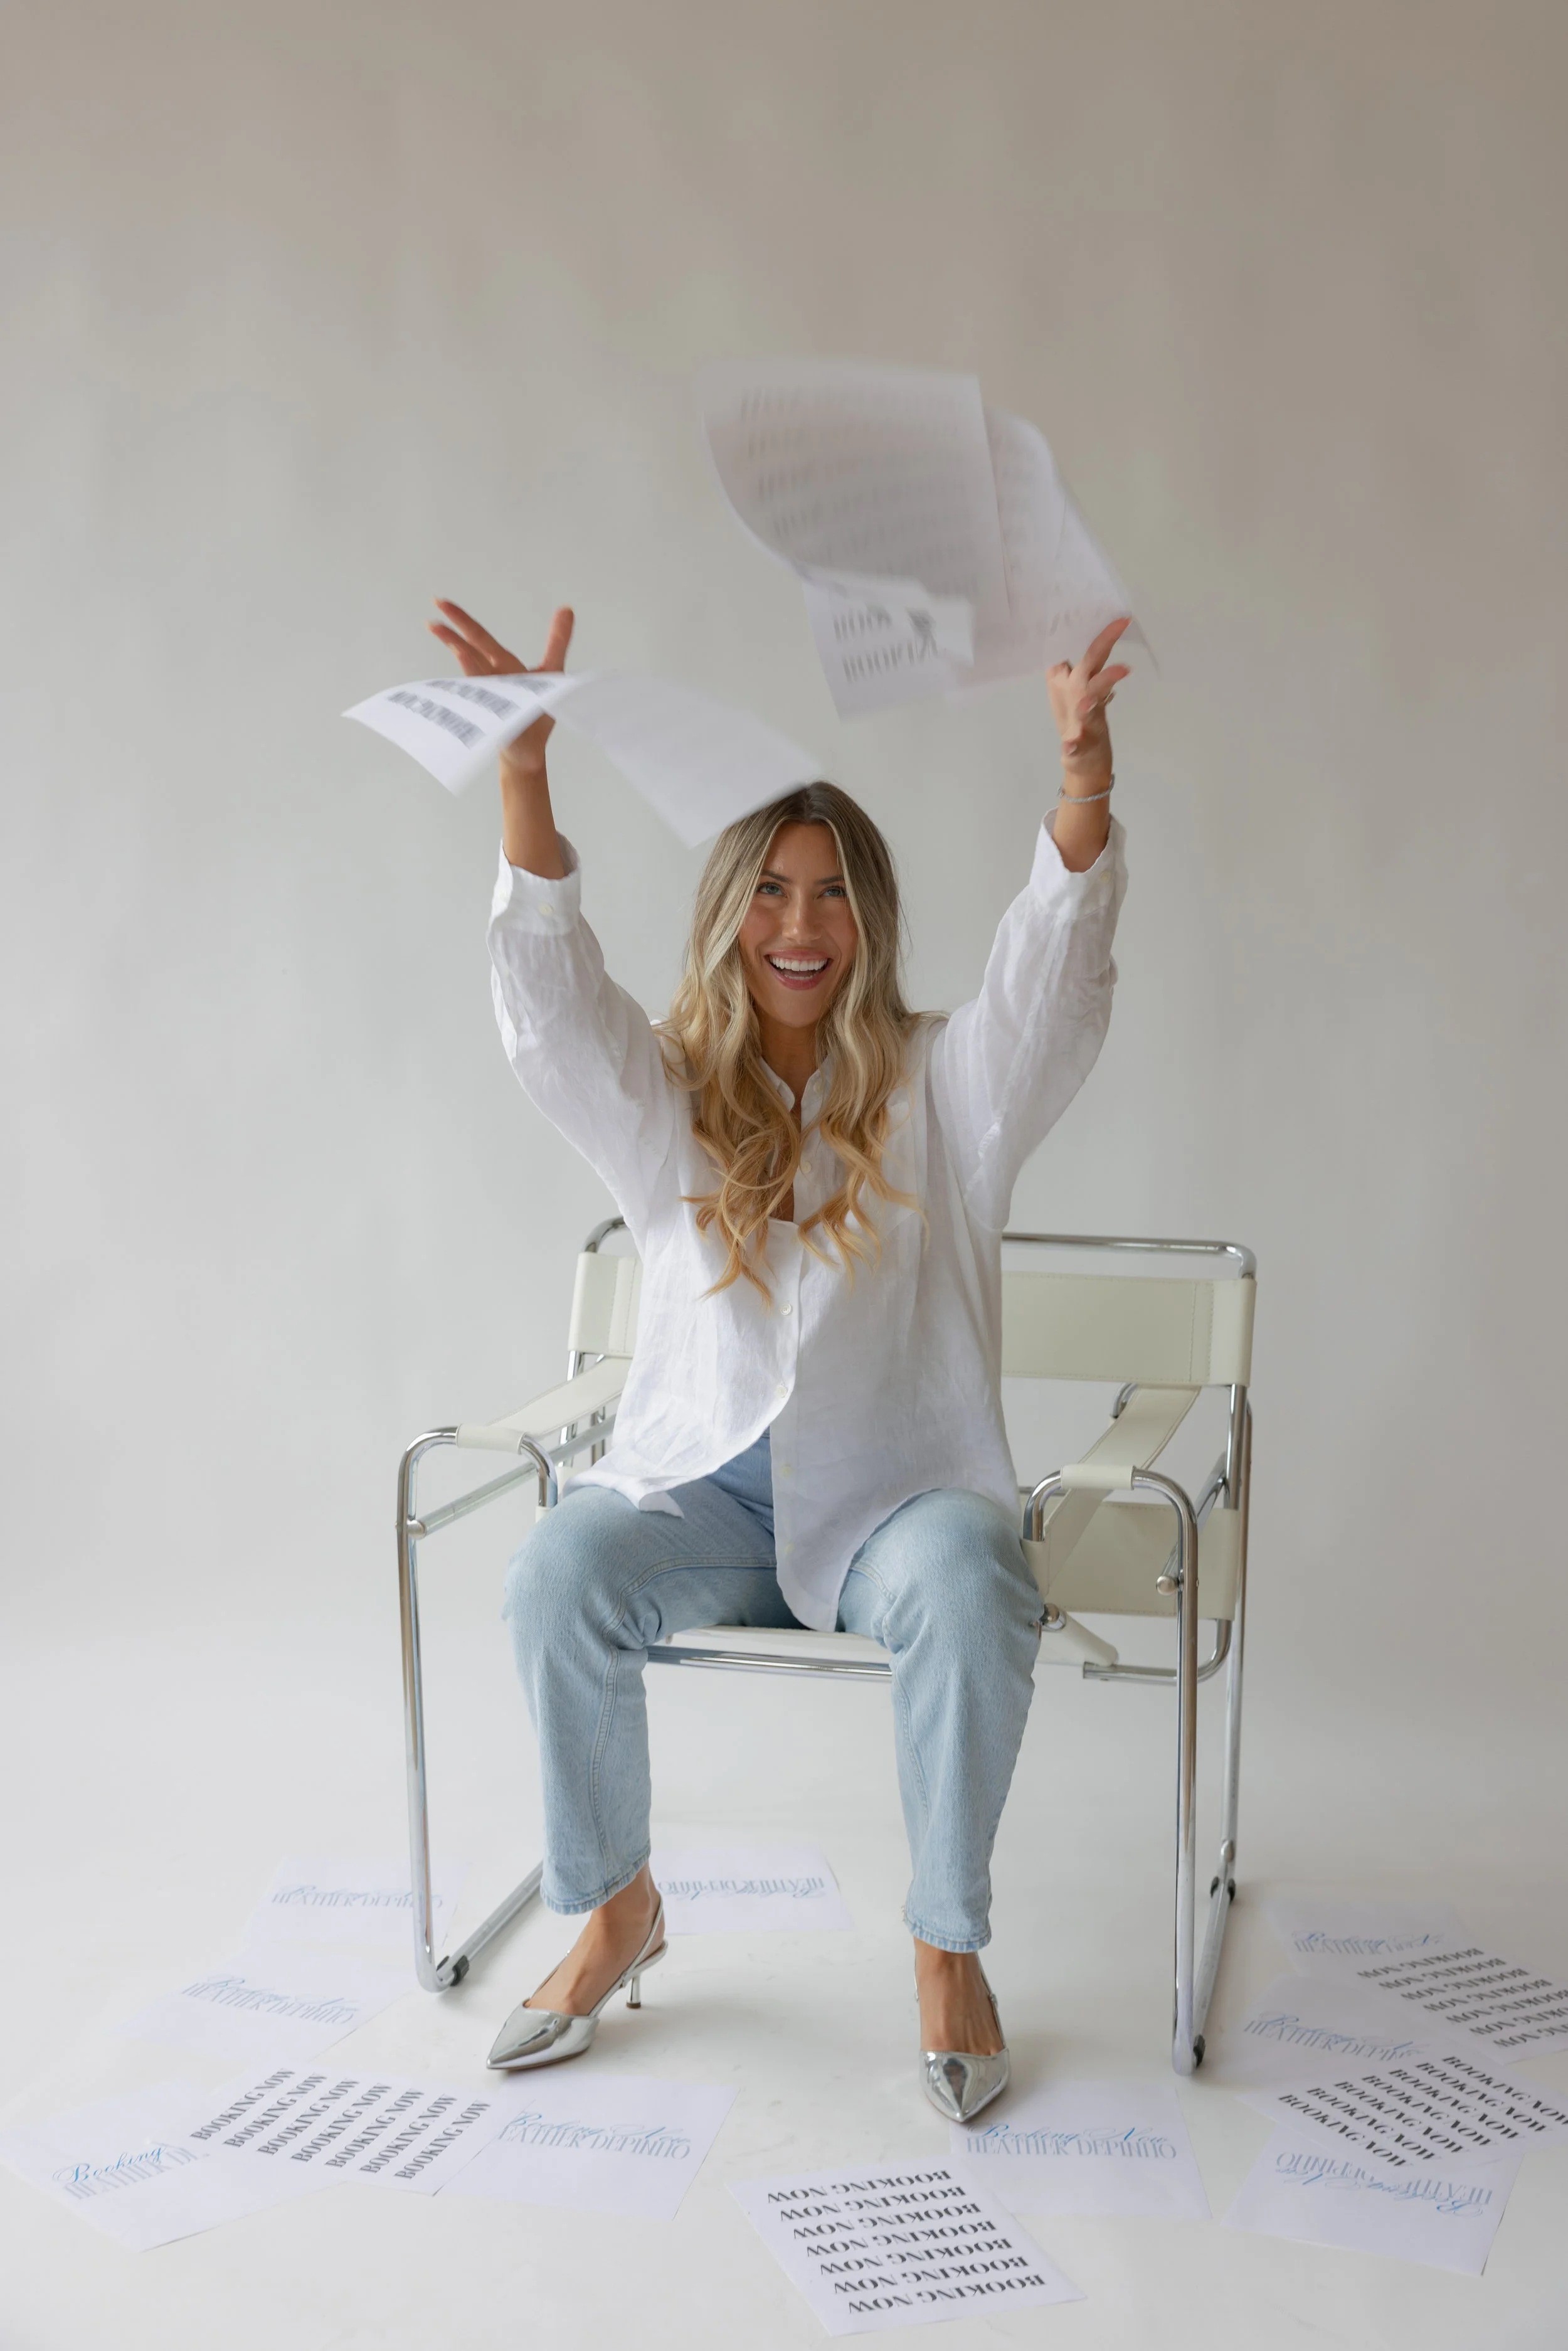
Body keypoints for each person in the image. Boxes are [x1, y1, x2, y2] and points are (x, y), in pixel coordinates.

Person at [430, 595, 1130, 2121]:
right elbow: (548, 1019)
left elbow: (1052, 986)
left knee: (968, 1577)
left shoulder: (952, 1085)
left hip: (894, 1495)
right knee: (554, 1568)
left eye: (828, 896)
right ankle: (614, 1903)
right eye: (768, 892)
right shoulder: (665, 1095)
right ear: (728, 913)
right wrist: (523, 783)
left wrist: (1079, 782)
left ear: (867, 921)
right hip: (702, 1493)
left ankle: (947, 1946)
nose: (798, 926)